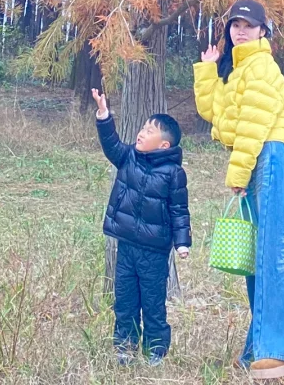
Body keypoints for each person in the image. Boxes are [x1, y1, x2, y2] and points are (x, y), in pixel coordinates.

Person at [195, 0, 284, 380]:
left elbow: (252, 127)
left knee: (276, 253)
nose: (240, 30)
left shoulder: (260, 65)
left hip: (270, 156)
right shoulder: (237, 70)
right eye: (235, 24)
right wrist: (207, 70)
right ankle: (259, 350)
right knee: (258, 260)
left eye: (249, 24)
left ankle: (283, 350)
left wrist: (238, 173)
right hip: (260, 158)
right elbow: (214, 112)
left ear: (263, 31)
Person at [92, 87, 191, 365]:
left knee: (153, 304)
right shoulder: (128, 157)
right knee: (124, 301)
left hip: (155, 253)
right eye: (143, 128)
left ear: (164, 145)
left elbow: (179, 210)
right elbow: (111, 144)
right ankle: (125, 346)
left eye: (150, 131)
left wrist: (182, 242)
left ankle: (156, 350)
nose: (142, 133)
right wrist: (103, 115)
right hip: (127, 246)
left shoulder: (174, 174)